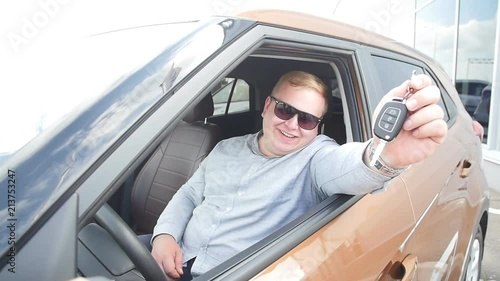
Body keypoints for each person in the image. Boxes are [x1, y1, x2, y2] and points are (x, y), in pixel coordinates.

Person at [150, 71, 447, 280]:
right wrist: (164, 235)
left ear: (318, 127)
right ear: (267, 106)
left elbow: (349, 167)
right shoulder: (226, 147)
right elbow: (189, 194)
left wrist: (386, 154)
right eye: (284, 110)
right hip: (175, 256)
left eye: (306, 119)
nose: (293, 125)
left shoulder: (316, 157)